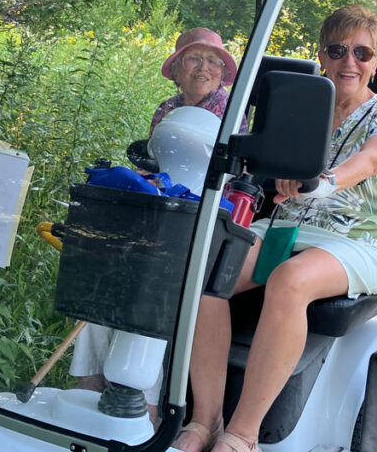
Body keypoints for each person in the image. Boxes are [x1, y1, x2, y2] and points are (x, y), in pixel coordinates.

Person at [174, 5, 377, 452]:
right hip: (289, 228)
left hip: (358, 237)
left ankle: (243, 439)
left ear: (376, 59)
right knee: (209, 267)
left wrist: (322, 181)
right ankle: (205, 419)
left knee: (289, 279)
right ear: (321, 56)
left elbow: (372, 159)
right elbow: (264, 156)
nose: (350, 61)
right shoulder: (304, 111)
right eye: (338, 50)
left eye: (362, 52)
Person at [69, 27, 245, 411]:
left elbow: (224, 178)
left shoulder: (232, 113)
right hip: (164, 215)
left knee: (154, 289)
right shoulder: (165, 109)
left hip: (207, 221)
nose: (205, 67)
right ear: (177, 69)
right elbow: (162, 168)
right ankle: (88, 388)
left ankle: (145, 409)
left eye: (214, 60)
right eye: (194, 58)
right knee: (103, 281)